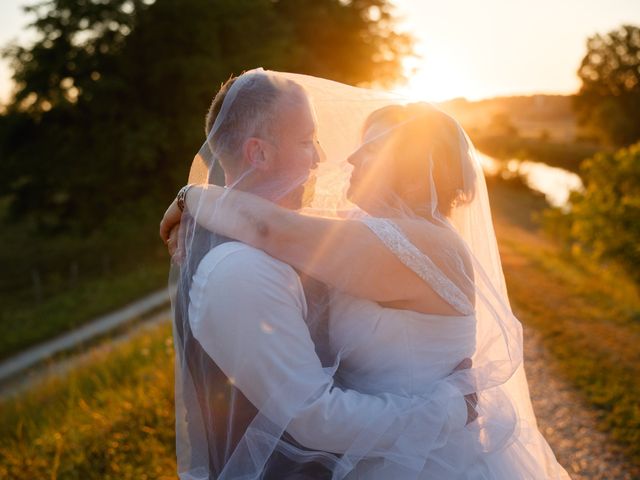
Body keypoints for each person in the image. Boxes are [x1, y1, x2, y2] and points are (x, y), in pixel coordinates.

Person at [162, 69, 572, 479]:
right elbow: (283, 228)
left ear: (412, 168)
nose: (347, 158)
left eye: (371, 147)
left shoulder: (427, 246)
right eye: (309, 142)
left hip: (431, 460)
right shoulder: (358, 233)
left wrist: (194, 195)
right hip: (385, 451)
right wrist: (197, 204)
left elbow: (273, 229)